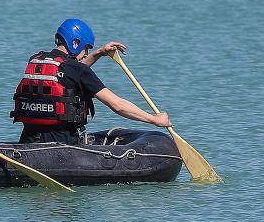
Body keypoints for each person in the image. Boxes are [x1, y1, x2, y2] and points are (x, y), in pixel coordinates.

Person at [10, 18, 172, 143]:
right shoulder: (77, 70)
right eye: (86, 48)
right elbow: (118, 105)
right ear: (75, 43)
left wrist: (99, 52)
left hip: (29, 139)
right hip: (61, 145)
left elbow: (70, 73)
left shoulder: (37, 60)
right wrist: (154, 119)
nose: (87, 54)